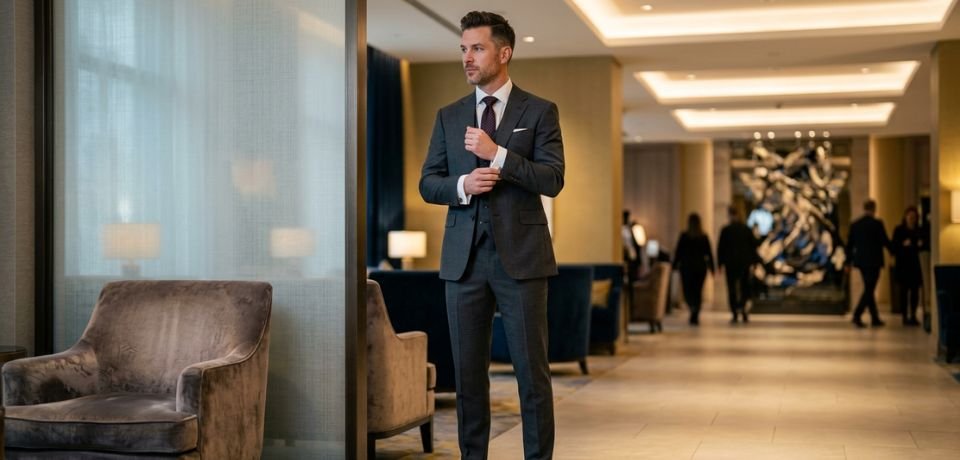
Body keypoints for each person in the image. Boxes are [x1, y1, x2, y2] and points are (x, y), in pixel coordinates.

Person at [419, 11, 563, 460]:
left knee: (531, 376)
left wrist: (497, 155)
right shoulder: (449, 115)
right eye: (463, 49)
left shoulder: (539, 111)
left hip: (521, 260)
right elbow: (429, 182)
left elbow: (553, 179)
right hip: (462, 263)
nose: (467, 57)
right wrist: (462, 186)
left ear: (504, 52)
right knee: (468, 378)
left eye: (477, 48)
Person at [847, 199, 892, 328]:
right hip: (874, 261)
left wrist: (848, 261)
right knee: (869, 288)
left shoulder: (855, 224)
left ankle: (874, 317)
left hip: (861, 261)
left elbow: (850, 245)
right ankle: (857, 314)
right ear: (874, 209)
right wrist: (894, 250)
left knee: (869, 287)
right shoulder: (877, 224)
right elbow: (884, 241)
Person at [718, 206, 760, 324]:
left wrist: (720, 263)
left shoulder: (727, 230)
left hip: (732, 263)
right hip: (743, 263)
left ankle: (736, 311)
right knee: (743, 287)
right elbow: (754, 246)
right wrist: (755, 262)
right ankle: (741, 309)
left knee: (733, 288)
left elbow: (721, 248)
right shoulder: (745, 229)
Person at [673, 213, 715, 325]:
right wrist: (712, 268)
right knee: (697, 291)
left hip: (687, 267)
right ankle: (695, 310)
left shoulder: (684, 236)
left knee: (688, 291)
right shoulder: (703, 237)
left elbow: (678, 252)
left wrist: (674, 265)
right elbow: (709, 254)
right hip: (700, 268)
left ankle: (693, 308)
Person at [891, 206, 924, 326]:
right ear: (905, 217)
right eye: (909, 217)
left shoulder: (919, 231)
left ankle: (913, 315)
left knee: (915, 292)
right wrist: (903, 245)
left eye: (914, 217)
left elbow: (922, 245)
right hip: (903, 265)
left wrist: (918, 244)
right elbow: (893, 248)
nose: (911, 219)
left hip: (914, 265)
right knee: (903, 292)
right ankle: (905, 316)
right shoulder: (899, 230)